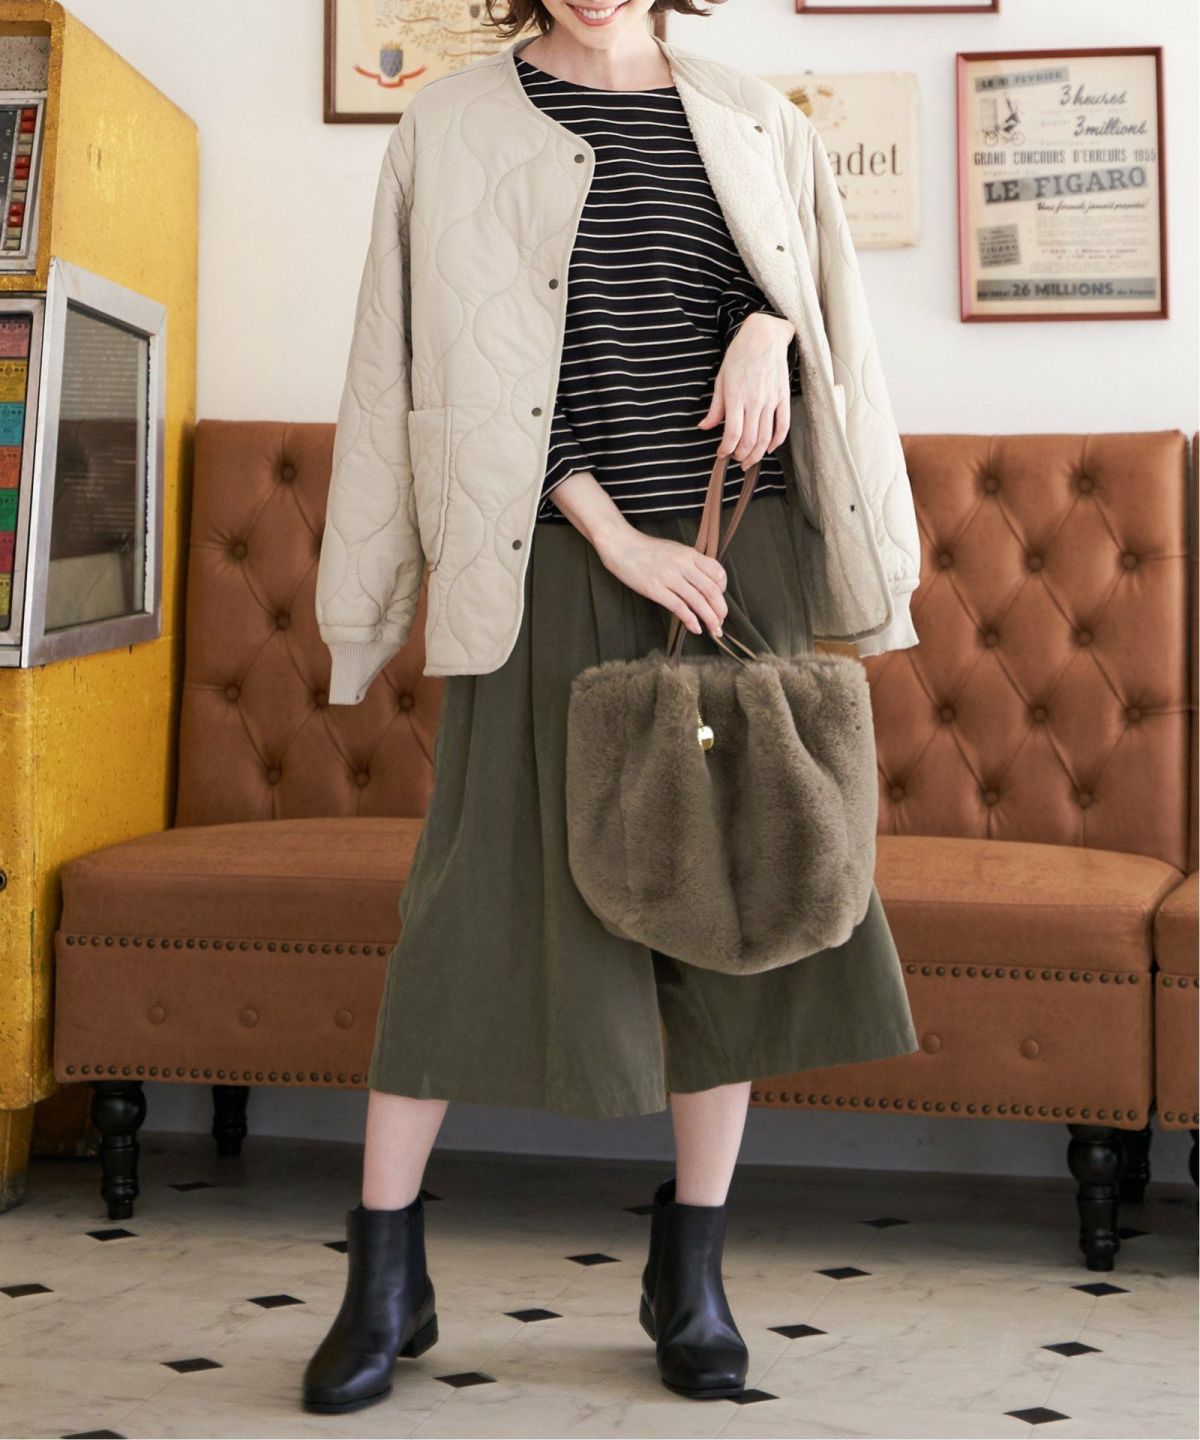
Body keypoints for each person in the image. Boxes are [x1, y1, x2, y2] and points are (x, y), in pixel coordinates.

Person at [303, 0, 921, 1415]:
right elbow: (444, 373)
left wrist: (766, 328)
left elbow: (817, 304)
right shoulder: (451, 126)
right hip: (547, 565)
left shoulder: (756, 115)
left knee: (735, 902)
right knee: (466, 907)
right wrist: (610, 532)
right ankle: (384, 1277)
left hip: (739, 557)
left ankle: (690, 1274)